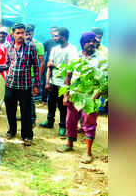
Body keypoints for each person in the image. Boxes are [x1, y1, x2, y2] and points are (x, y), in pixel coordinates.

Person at [0, 23, 40, 146]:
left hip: (25, 86)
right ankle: (11, 131)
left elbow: (36, 66)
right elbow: (7, 65)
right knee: (10, 111)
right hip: (10, 84)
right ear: (13, 34)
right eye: (18, 33)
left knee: (25, 112)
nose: (21, 35)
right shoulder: (9, 47)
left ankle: (27, 135)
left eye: (22, 33)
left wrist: (36, 84)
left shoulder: (30, 47)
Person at [56, 31, 104, 164]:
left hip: (90, 97)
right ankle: (69, 144)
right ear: (83, 43)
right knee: (70, 121)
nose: (91, 44)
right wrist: (66, 94)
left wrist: (95, 98)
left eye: (93, 41)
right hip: (75, 96)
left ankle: (88, 152)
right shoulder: (75, 57)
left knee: (89, 124)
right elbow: (68, 76)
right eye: (88, 41)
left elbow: (105, 81)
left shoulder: (99, 60)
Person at [40, 27, 78, 138]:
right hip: (53, 81)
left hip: (64, 83)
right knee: (51, 103)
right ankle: (49, 121)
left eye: (56, 36)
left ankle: (62, 126)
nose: (54, 38)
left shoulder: (72, 49)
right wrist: (47, 82)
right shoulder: (54, 49)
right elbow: (49, 66)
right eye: (53, 36)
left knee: (63, 106)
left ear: (64, 37)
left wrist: (55, 65)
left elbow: (70, 68)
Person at [24, 24, 44, 127]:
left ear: (33, 32)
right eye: (26, 34)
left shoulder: (38, 44)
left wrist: (38, 77)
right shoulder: (21, 44)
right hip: (23, 75)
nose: (27, 36)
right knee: (23, 98)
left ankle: (32, 119)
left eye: (29, 33)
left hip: (32, 76)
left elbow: (41, 62)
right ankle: (25, 116)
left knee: (31, 98)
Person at [41, 26, 59, 104]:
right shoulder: (47, 43)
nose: (53, 33)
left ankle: (58, 101)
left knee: (57, 83)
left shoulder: (60, 43)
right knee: (46, 81)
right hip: (48, 66)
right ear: (50, 33)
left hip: (58, 66)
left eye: (55, 31)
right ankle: (44, 100)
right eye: (52, 31)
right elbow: (42, 54)